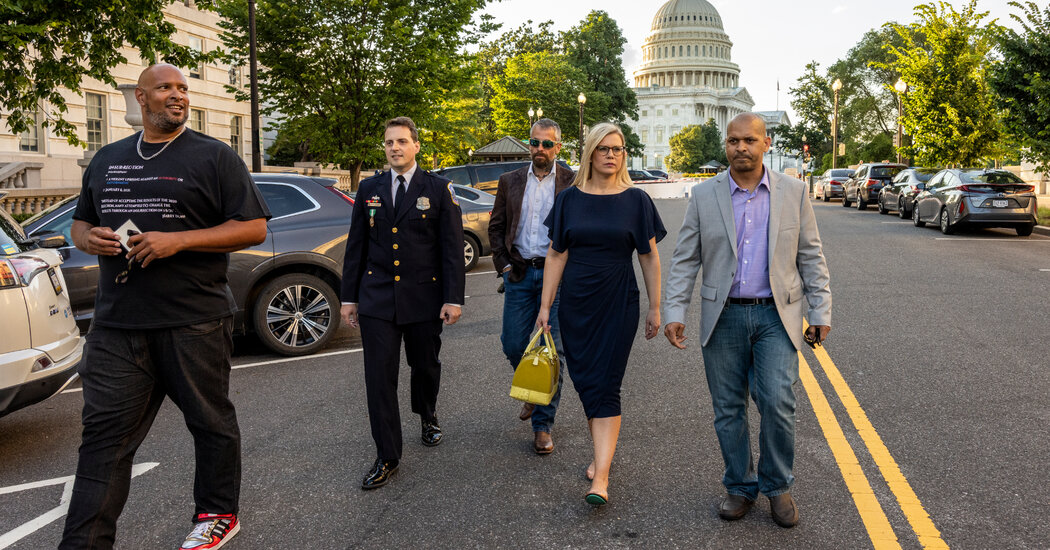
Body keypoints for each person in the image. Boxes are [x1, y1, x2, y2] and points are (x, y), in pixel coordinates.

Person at [61, 64, 270, 550]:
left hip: (193, 320)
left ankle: (217, 513)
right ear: (141, 98)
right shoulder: (107, 159)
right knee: (103, 443)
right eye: (165, 88)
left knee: (210, 421)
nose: (177, 96)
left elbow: (253, 227)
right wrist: (88, 238)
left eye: (183, 89)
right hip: (117, 326)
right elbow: (79, 223)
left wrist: (179, 241)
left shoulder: (214, 156)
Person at [663, 113, 832, 528]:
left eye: (750, 140)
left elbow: (810, 254)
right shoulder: (704, 196)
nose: (741, 147)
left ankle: (777, 485)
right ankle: (739, 486)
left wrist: (820, 310)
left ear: (766, 143)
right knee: (728, 409)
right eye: (734, 141)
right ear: (727, 145)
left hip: (777, 315)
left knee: (777, 401)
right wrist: (674, 311)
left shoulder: (793, 192)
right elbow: (686, 258)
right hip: (724, 316)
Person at [537, 122, 665, 505]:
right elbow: (557, 254)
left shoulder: (637, 201)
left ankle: (601, 478)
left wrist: (655, 307)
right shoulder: (569, 200)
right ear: (590, 152)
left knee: (607, 384)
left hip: (618, 303)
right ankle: (601, 456)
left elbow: (649, 257)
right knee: (586, 382)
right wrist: (545, 307)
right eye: (605, 148)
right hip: (576, 305)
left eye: (619, 149)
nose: (612, 155)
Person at [340, 117, 465, 490]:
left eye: (401, 141)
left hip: (424, 298)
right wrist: (350, 298)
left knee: (424, 365)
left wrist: (453, 298)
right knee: (379, 378)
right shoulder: (369, 189)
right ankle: (387, 455)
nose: (394, 147)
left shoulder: (438, 189)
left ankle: (427, 414)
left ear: (416, 146)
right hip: (377, 298)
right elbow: (356, 246)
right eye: (389, 142)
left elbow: (451, 250)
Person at [489, 118, 575, 454]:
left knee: (552, 353)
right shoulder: (509, 180)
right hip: (521, 274)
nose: (540, 149)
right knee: (512, 344)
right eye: (535, 143)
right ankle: (531, 391)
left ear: (558, 146)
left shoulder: (571, 181)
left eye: (547, 144)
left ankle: (543, 425)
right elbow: (496, 228)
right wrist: (505, 265)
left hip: (557, 277)